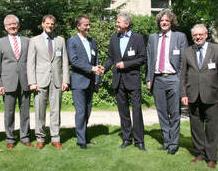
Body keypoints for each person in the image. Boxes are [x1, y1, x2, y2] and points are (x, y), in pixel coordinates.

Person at [145, 9, 188, 155]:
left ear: (171, 23)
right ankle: (166, 142)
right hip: (157, 79)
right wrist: (149, 78)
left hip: (173, 78)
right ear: (159, 22)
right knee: (162, 112)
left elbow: (183, 62)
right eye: (162, 21)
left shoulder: (180, 37)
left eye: (167, 21)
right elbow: (150, 60)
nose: (164, 23)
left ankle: (174, 144)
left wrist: (181, 81)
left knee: (175, 113)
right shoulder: (152, 37)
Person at [103, 12, 147, 151]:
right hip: (118, 80)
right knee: (123, 112)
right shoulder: (114, 38)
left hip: (132, 80)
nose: (116, 24)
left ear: (126, 24)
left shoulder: (138, 38)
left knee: (136, 111)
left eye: (118, 22)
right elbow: (111, 58)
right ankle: (127, 139)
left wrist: (126, 65)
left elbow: (142, 59)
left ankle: (139, 141)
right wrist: (103, 68)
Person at [27, 14, 69, 150]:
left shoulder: (60, 40)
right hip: (40, 81)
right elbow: (30, 63)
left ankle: (55, 138)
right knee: (40, 111)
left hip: (57, 80)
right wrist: (32, 82)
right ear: (42, 24)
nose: (50, 26)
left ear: (54, 25)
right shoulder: (34, 40)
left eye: (52, 24)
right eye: (47, 23)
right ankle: (40, 138)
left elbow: (65, 62)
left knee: (55, 111)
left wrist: (65, 80)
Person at [180, 24, 218, 169]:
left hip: (211, 95)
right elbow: (183, 74)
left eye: (200, 34)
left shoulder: (215, 49)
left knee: (212, 127)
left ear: (206, 35)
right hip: (193, 95)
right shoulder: (188, 51)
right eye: (195, 35)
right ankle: (200, 153)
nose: (198, 37)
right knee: (196, 126)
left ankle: (211, 157)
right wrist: (183, 94)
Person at [0, 14, 33, 149]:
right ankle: (10, 138)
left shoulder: (28, 41)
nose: (12, 26)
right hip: (8, 82)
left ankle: (25, 137)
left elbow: (31, 62)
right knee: (9, 112)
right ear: (5, 27)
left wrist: (32, 81)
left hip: (25, 81)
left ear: (18, 25)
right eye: (9, 24)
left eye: (14, 24)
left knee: (25, 112)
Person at [67, 15, 102, 149]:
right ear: (78, 26)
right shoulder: (72, 41)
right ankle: (81, 140)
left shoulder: (92, 41)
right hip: (78, 82)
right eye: (85, 25)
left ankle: (84, 135)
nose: (88, 27)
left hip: (91, 82)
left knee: (87, 111)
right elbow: (74, 61)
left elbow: (96, 60)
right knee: (80, 111)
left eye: (89, 25)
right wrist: (92, 69)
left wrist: (97, 79)